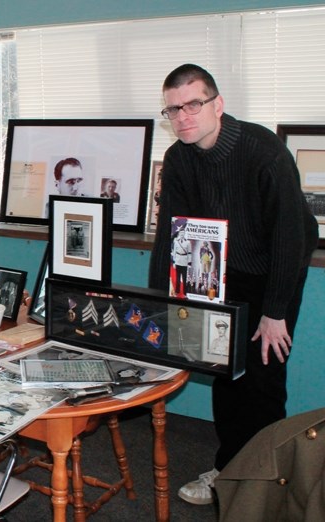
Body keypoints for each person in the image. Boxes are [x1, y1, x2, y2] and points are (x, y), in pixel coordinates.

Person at [148, 64, 317, 505]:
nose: (183, 116)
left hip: (275, 269)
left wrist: (276, 311)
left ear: (217, 104)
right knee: (225, 370)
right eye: (173, 109)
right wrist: (159, 305)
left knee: (262, 376)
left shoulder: (263, 150)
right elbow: (171, 234)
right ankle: (228, 469)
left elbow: (289, 236)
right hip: (218, 271)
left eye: (193, 104)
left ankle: (264, 488)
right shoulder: (180, 158)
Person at [171, 227, 192, 296]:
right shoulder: (176, 241)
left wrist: (189, 263)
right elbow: (174, 252)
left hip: (184, 261)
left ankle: (185, 292)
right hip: (178, 260)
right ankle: (177, 291)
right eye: (181, 233)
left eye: (183, 233)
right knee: (177, 277)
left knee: (184, 278)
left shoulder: (188, 242)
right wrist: (174, 262)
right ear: (179, 234)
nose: (182, 234)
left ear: (184, 234)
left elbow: (189, 253)